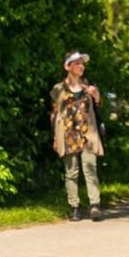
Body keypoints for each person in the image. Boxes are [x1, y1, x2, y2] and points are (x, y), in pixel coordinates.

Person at [50, 51, 104, 221]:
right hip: (68, 134)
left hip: (88, 133)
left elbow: (98, 105)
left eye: (83, 63)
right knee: (71, 172)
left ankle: (95, 205)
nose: (82, 66)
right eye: (78, 63)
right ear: (68, 67)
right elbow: (54, 114)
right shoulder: (59, 89)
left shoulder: (89, 86)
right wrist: (54, 137)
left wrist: (96, 95)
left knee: (90, 167)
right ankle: (74, 207)